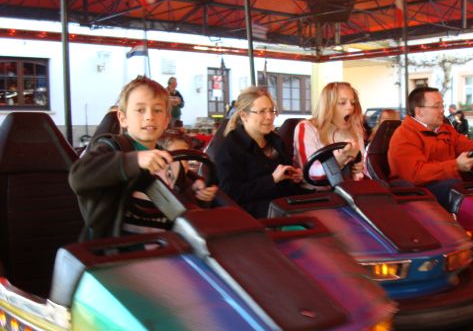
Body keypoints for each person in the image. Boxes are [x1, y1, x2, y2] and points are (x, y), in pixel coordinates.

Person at [69, 75, 216, 240]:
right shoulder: (112, 148)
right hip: (117, 247)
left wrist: (198, 192)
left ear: (166, 120)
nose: (149, 116)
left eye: (157, 110)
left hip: (164, 246)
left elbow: (182, 192)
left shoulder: (170, 162)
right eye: (140, 110)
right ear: (123, 119)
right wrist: (134, 161)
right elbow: (78, 177)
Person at [387, 86, 473, 210]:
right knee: (457, 188)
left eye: (442, 106)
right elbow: (415, 174)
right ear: (419, 111)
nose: (442, 111)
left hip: (449, 183)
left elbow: (467, 147)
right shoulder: (404, 135)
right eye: (437, 106)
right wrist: (455, 166)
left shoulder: (445, 129)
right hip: (420, 192)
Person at [214, 86, 309, 218]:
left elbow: (286, 183)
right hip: (253, 215)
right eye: (262, 112)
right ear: (244, 115)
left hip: (282, 205)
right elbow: (231, 194)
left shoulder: (276, 141)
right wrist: (271, 180)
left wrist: (294, 177)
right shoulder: (230, 147)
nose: (269, 117)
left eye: (271, 111)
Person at [293, 82, 366, 189]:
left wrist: (358, 169)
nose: (350, 107)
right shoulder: (306, 128)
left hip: (347, 191)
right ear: (328, 106)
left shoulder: (355, 130)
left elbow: (361, 173)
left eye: (353, 103)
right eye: (342, 103)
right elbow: (311, 173)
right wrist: (341, 159)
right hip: (316, 194)